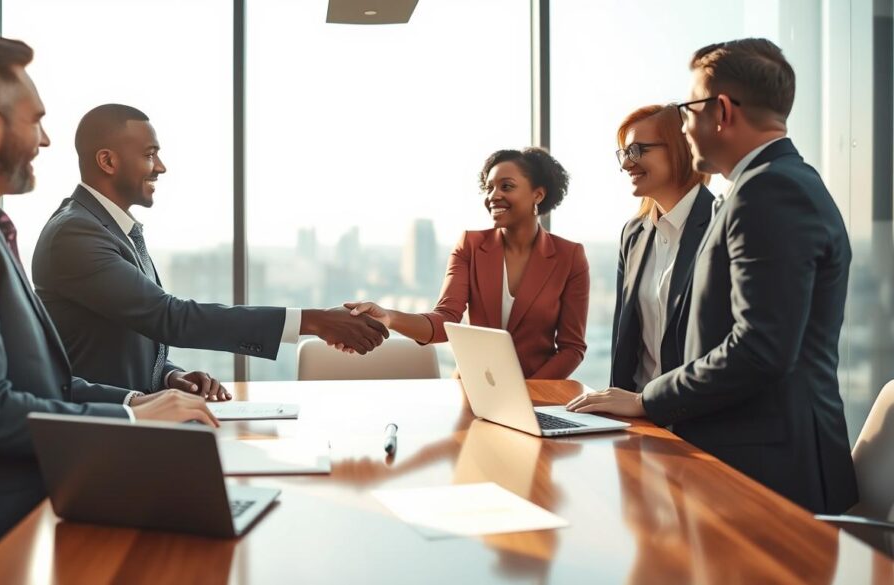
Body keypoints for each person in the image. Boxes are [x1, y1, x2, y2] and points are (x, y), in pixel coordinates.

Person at [0, 36, 218, 559]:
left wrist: (135, 401)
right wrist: (133, 423)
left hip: (43, 496)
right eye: (35, 120)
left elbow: (47, 385)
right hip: (10, 527)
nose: (47, 139)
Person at [568, 38, 858, 514]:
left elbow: (760, 349)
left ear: (720, 111)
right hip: (752, 456)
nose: (684, 127)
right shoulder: (773, 182)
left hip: (767, 471)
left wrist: (648, 400)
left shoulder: (769, 190)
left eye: (688, 110)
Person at [32, 104, 390, 399]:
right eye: (149, 154)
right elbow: (167, 317)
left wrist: (169, 377)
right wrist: (313, 320)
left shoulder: (107, 229)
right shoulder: (75, 234)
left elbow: (123, 336)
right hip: (100, 431)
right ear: (108, 162)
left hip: (136, 422)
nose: (160, 167)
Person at [345, 147, 589, 379]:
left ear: (538, 194)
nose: (493, 196)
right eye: (489, 187)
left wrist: (528, 393)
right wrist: (391, 317)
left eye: (506, 186)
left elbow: (572, 348)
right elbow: (445, 320)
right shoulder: (470, 245)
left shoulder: (570, 256)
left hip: (539, 396)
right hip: (474, 391)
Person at [610, 104, 713, 392]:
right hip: (637, 420)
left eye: (638, 150)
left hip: (696, 421)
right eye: (625, 154)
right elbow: (624, 344)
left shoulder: (722, 223)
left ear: (680, 147)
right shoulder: (633, 235)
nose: (627, 164)